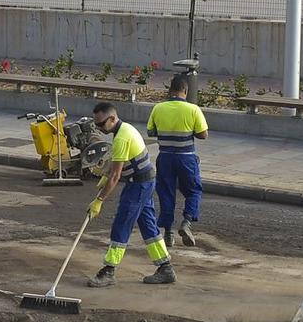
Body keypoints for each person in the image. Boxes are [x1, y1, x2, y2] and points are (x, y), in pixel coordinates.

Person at [84, 101, 174, 287]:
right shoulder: (124, 129)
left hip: (138, 185)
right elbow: (117, 164)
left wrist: (99, 200)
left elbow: (116, 175)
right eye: (96, 124)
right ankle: (165, 268)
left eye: (101, 124)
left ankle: (109, 270)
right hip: (144, 182)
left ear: (112, 118)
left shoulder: (121, 138)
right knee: (148, 224)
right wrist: (105, 175)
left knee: (122, 223)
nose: (99, 128)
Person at [147, 72, 209, 246]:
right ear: (185, 91)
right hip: (186, 158)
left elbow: (151, 132)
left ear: (170, 90)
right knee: (193, 190)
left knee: (166, 193)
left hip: (165, 157)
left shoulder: (158, 108)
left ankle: (167, 233)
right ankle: (187, 222)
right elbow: (203, 134)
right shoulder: (193, 109)